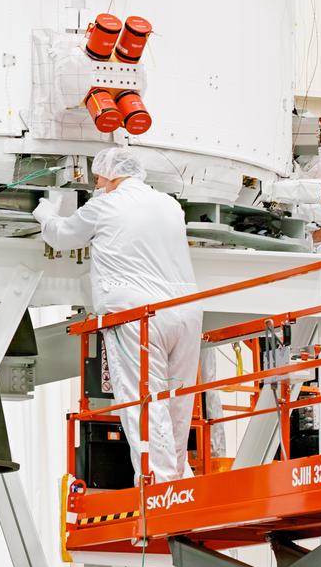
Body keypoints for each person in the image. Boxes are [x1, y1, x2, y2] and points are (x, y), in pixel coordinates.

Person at [33, 147, 201, 483]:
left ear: (110, 175)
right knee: (178, 398)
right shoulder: (170, 205)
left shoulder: (107, 203)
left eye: (97, 178)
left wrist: (44, 212)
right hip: (185, 311)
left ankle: (160, 486)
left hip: (136, 313)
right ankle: (181, 477)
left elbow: (63, 235)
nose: (97, 185)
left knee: (144, 398)